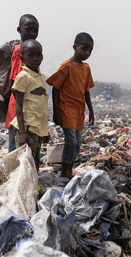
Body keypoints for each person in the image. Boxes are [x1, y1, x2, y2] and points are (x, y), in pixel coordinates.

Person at [47, 32, 95, 179]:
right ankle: (64, 173)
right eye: (84, 49)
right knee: (71, 141)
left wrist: (91, 112)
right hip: (66, 109)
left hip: (79, 110)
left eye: (90, 51)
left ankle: (69, 170)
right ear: (75, 47)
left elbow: (86, 91)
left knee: (78, 142)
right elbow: (56, 87)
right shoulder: (67, 66)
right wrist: (56, 112)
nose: (87, 53)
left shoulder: (86, 68)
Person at [10, 39, 49, 170]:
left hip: (37, 129)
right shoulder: (23, 77)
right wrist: (22, 133)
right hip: (27, 129)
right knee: (25, 165)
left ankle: (32, 189)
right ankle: (24, 190)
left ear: (42, 56)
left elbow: (41, 106)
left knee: (35, 162)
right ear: (22, 58)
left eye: (38, 55)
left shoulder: (41, 76)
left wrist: (45, 130)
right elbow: (18, 106)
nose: (35, 58)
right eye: (30, 55)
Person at [4, 14, 39, 153]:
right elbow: (17, 83)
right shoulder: (20, 51)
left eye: (35, 30)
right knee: (16, 147)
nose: (32, 33)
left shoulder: (32, 51)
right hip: (19, 107)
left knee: (23, 146)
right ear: (19, 29)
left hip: (26, 108)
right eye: (28, 29)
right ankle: (13, 174)